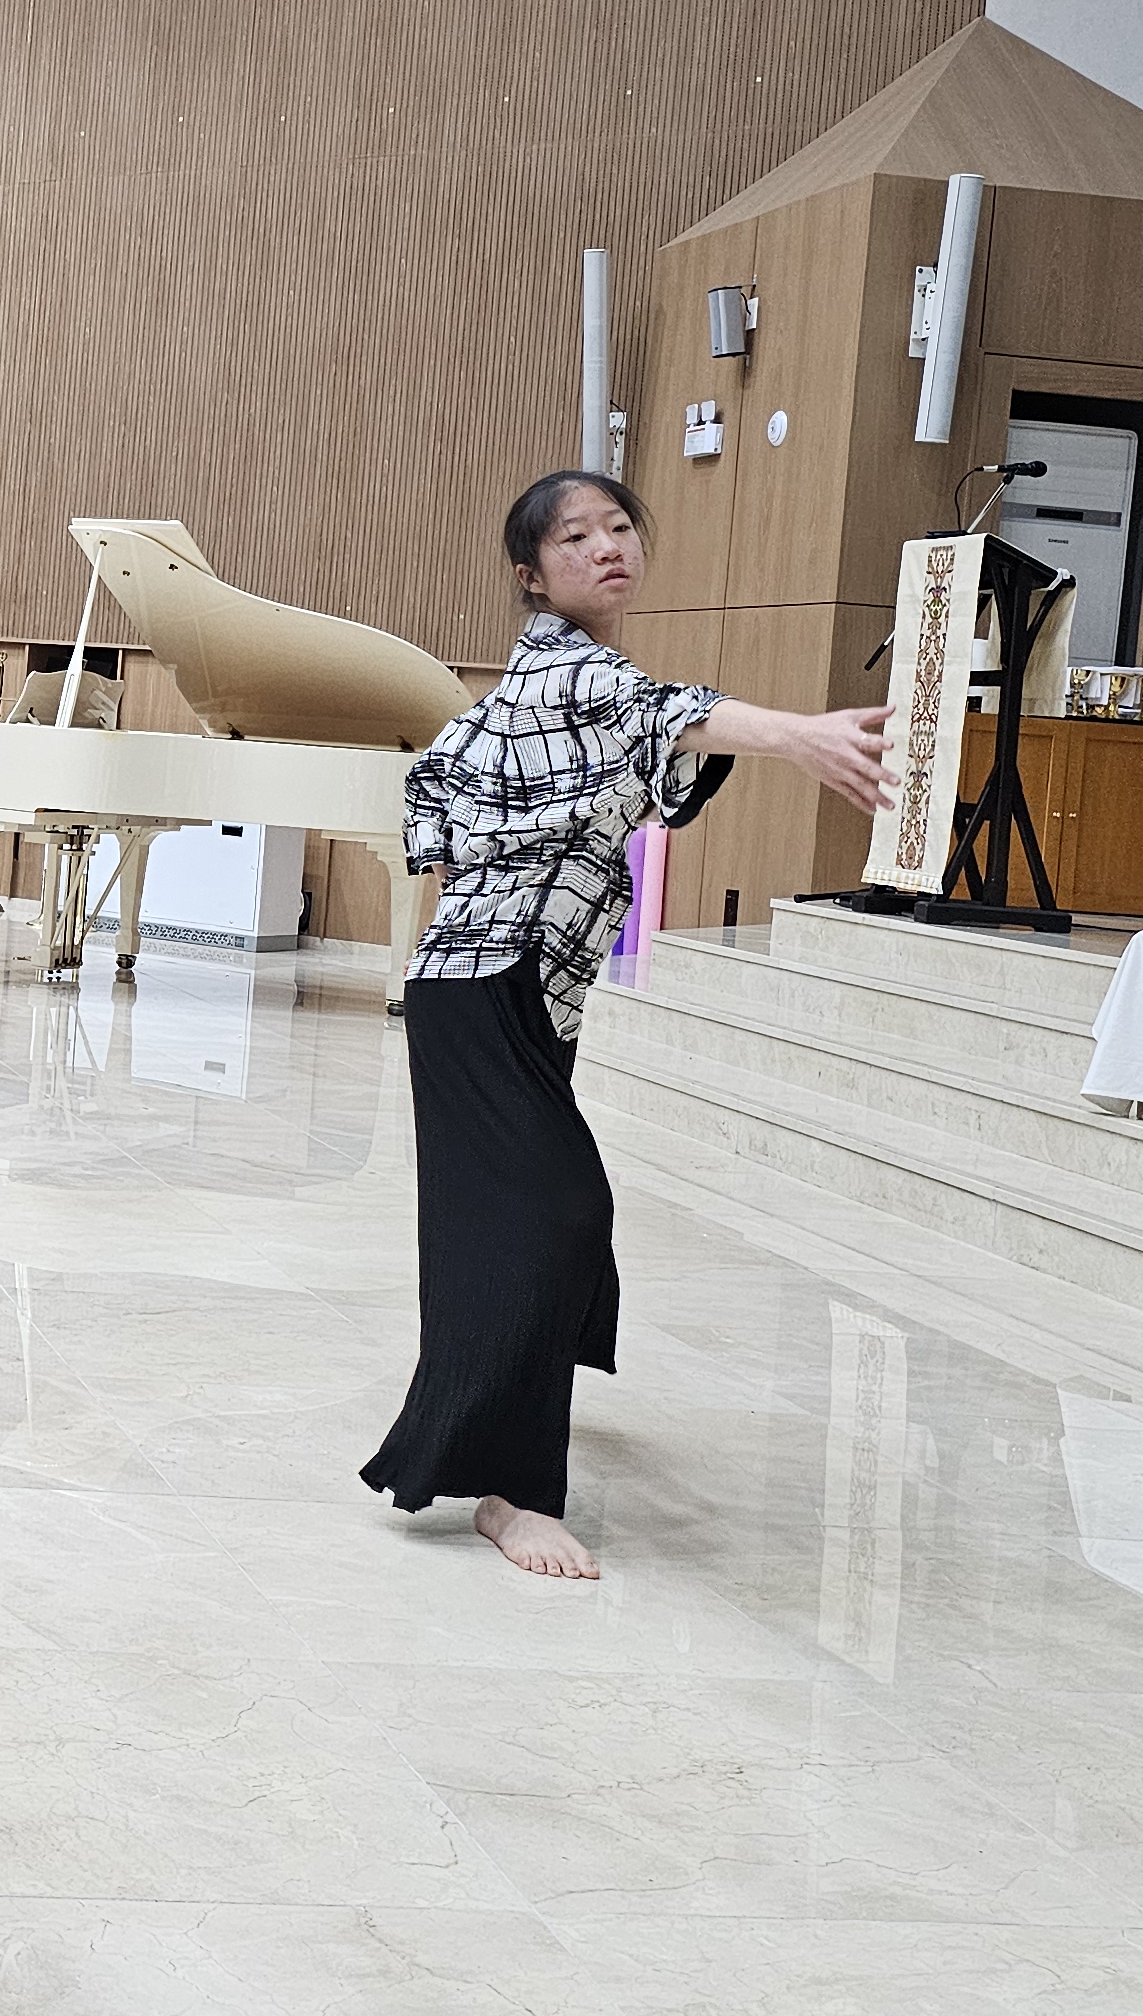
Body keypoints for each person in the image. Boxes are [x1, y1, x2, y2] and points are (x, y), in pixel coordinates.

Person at [356, 471, 892, 1580]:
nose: (606, 547)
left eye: (617, 528)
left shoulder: (560, 684)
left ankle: (503, 1414)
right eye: (575, 537)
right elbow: (667, 716)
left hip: (523, 992)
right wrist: (801, 735)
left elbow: (605, 761)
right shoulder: (570, 669)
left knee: (513, 1224)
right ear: (530, 573)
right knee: (554, 1214)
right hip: (482, 986)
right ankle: (511, 1496)